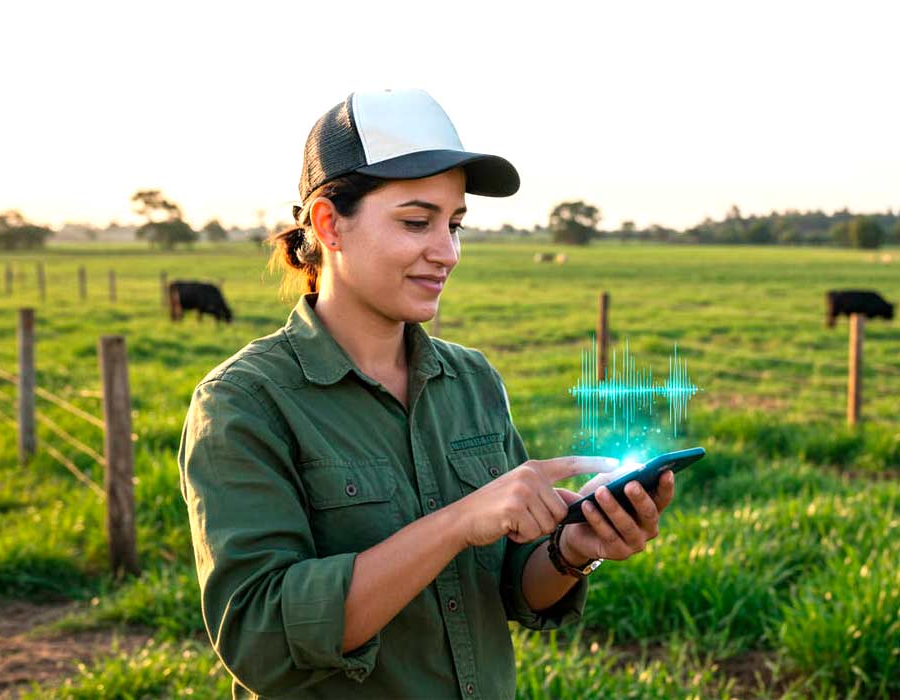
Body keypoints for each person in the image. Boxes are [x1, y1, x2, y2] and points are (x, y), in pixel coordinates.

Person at [178, 89, 676, 699]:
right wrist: (459, 521)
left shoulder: (472, 381)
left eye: (455, 224)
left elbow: (511, 585)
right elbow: (262, 639)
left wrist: (574, 548)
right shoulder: (245, 402)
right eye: (417, 222)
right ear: (330, 224)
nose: (447, 253)